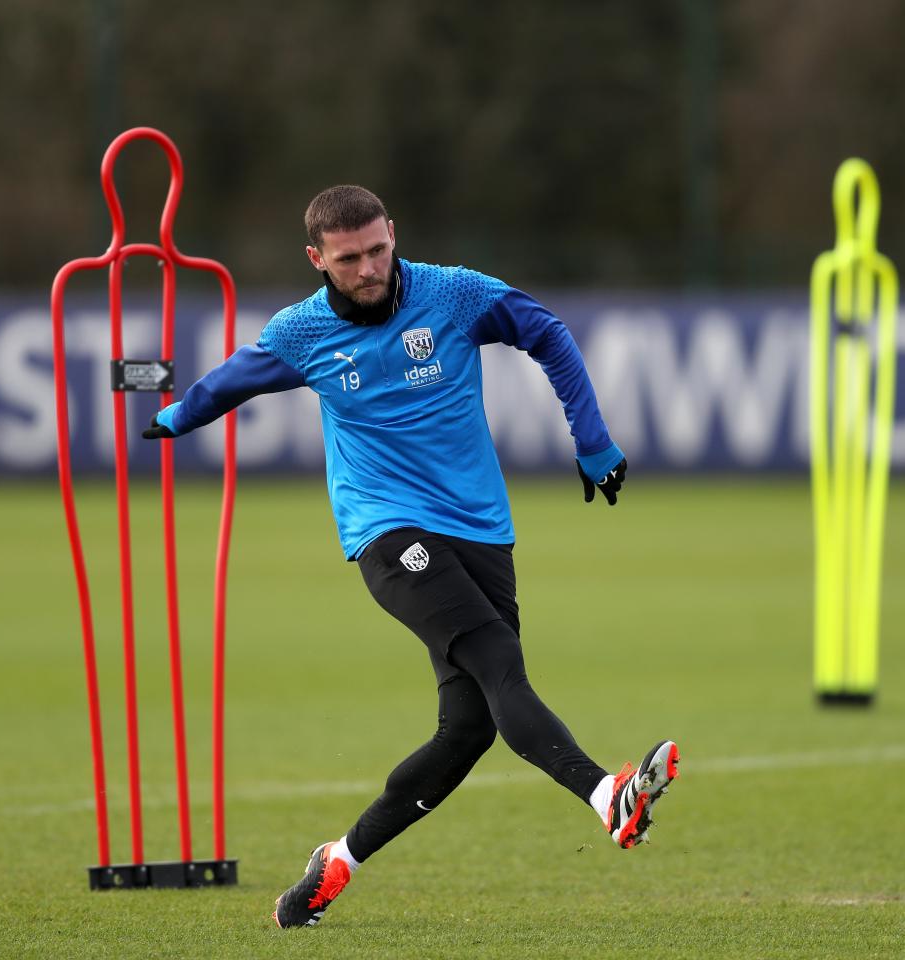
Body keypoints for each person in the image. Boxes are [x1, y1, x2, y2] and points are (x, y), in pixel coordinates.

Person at [142, 185, 678, 929]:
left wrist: (591, 440)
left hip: (481, 529)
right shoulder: (301, 334)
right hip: (388, 533)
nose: (368, 269)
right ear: (317, 260)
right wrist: (170, 417)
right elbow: (228, 382)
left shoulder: (455, 296)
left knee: (467, 732)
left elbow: (547, 332)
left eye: (377, 250)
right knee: (498, 663)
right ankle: (606, 796)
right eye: (348, 258)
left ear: (394, 234)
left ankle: (335, 863)